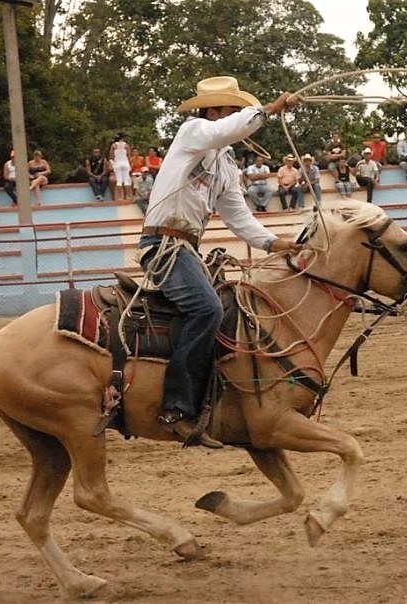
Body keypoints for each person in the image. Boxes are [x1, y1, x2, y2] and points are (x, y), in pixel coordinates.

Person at [139, 75, 301, 447]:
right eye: (234, 111)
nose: (239, 118)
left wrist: (275, 244)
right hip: (161, 244)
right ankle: (175, 407)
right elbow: (228, 131)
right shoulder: (193, 131)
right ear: (214, 112)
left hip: (185, 249)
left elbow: (238, 216)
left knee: (230, 313)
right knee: (208, 309)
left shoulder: (226, 166)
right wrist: (271, 109)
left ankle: (214, 401)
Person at [109, 134, 132, 202]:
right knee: (126, 180)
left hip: (117, 163)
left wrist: (113, 162)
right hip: (125, 163)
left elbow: (111, 156)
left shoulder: (113, 145)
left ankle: (120, 197)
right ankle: (127, 196)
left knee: (119, 181)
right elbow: (129, 156)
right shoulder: (126, 145)